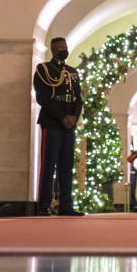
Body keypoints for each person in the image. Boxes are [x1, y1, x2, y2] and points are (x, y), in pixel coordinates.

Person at [33, 37, 84, 217]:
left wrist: (73, 118)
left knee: (66, 166)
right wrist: (62, 117)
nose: (64, 49)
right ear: (53, 49)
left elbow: (78, 99)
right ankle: (43, 206)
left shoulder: (72, 71)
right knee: (48, 166)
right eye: (60, 47)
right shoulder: (44, 69)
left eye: (65, 46)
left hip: (69, 126)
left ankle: (66, 206)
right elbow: (43, 98)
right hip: (52, 123)